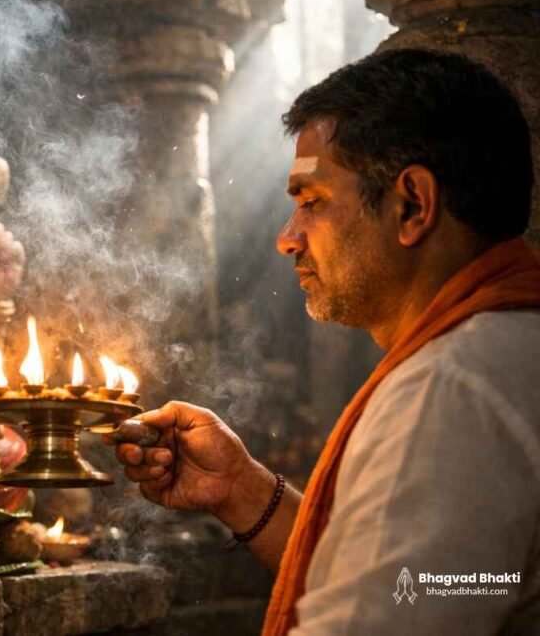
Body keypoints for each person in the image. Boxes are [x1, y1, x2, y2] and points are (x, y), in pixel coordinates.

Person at [107, 49, 540, 634]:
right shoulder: (508, 347)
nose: (287, 239)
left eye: (311, 202)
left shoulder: (448, 392)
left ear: (412, 204)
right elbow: (413, 586)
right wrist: (239, 489)